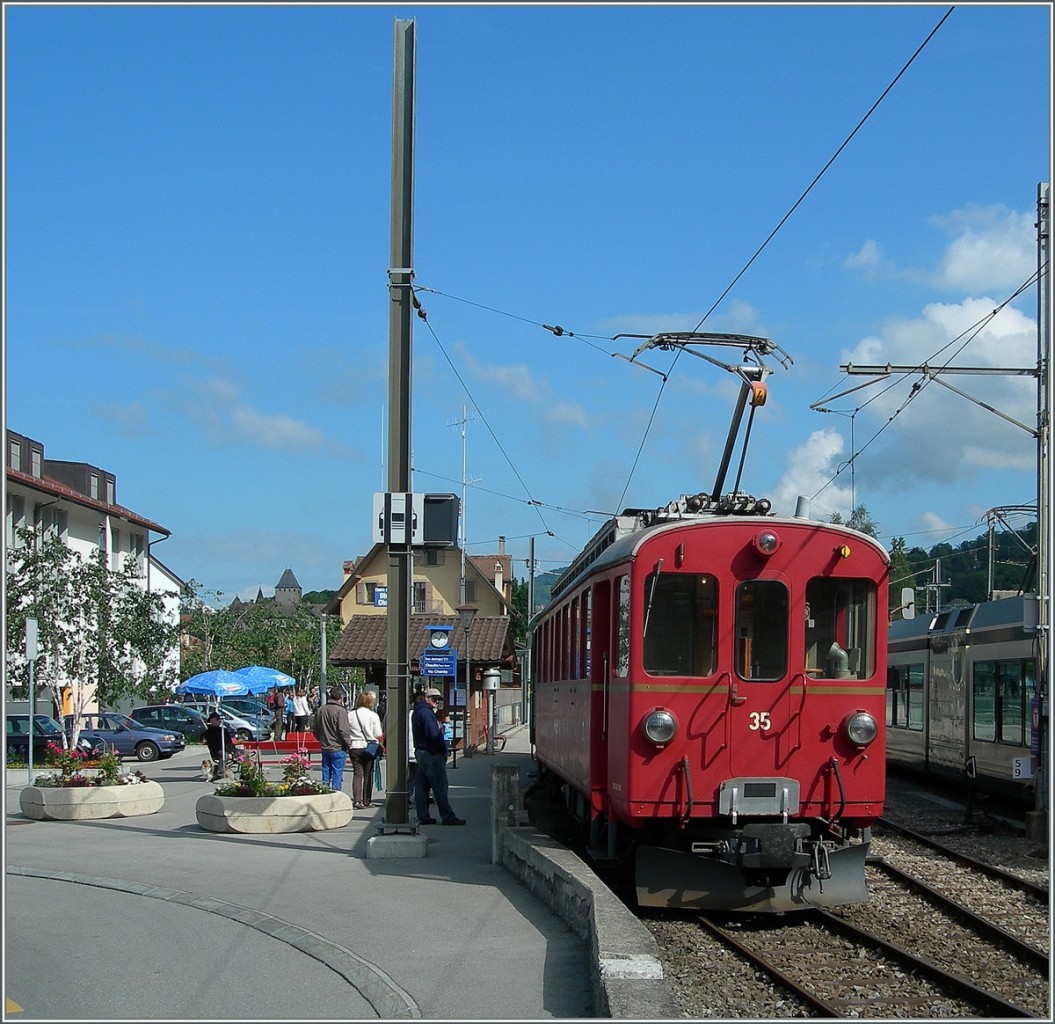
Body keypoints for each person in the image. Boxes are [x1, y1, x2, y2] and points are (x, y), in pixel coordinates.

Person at [411, 687, 465, 826]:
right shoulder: (427, 714)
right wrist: (443, 749)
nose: (437, 702)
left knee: (422, 786)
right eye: (434, 699)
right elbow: (433, 735)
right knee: (439, 786)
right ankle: (448, 816)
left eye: (438, 700)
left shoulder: (417, 712)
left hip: (421, 752)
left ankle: (423, 816)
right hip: (431, 753)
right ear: (427, 698)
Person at [347, 691, 384, 810]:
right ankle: (366, 800)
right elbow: (378, 733)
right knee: (368, 774)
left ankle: (357, 801)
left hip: (354, 746)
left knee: (357, 774)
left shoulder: (351, 715)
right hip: (369, 747)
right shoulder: (373, 715)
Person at [313, 687, 353, 791]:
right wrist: (348, 743)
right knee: (337, 773)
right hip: (338, 747)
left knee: (325, 771)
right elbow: (343, 730)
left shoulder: (321, 710)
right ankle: (336, 794)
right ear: (341, 697)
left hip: (325, 746)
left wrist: (320, 739)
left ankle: (324, 792)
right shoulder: (341, 711)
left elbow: (315, 728)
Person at [204, 711, 237, 781]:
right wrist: (228, 752)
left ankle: (246, 774)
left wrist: (231, 751)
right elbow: (216, 744)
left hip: (228, 749)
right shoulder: (209, 732)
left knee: (245, 753)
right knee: (224, 755)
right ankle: (220, 774)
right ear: (212, 721)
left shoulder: (223, 730)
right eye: (217, 719)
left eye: (219, 719)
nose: (219, 721)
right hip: (217, 751)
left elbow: (229, 742)